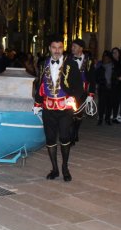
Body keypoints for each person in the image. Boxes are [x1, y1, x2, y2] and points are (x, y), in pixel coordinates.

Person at [33, 34, 84, 182]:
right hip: (48, 108)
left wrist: (72, 97)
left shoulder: (71, 64)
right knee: (50, 139)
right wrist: (37, 102)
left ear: (63, 48)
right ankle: (54, 169)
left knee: (64, 137)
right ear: (49, 48)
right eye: (54, 48)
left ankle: (65, 168)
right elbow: (40, 84)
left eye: (60, 47)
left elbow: (79, 87)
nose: (57, 50)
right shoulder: (43, 64)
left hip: (64, 108)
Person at [66, 38, 95, 144]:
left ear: (81, 48)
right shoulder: (67, 59)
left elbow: (92, 78)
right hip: (70, 91)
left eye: (75, 46)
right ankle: (71, 136)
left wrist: (91, 94)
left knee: (78, 114)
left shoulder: (89, 61)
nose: (72, 48)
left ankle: (75, 132)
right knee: (70, 113)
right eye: (72, 46)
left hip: (83, 91)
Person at [95, 50, 117, 125]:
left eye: (107, 58)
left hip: (111, 89)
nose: (105, 60)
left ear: (110, 59)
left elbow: (116, 78)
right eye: (104, 58)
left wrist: (112, 83)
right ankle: (100, 118)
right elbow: (97, 78)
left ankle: (107, 119)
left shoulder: (114, 68)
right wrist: (103, 83)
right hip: (103, 88)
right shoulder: (100, 68)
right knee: (101, 104)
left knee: (109, 104)